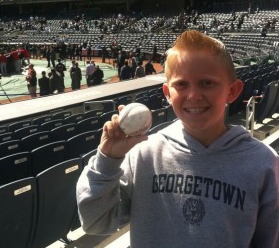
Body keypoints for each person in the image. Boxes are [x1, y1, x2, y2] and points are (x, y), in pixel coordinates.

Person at [76, 30, 279, 247]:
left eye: (207, 83)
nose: (193, 95)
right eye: (181, 84)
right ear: (167, 93)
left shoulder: (264, 164)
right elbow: (95, 223)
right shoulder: (144, 153)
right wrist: (107, 160)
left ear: (233, 90)